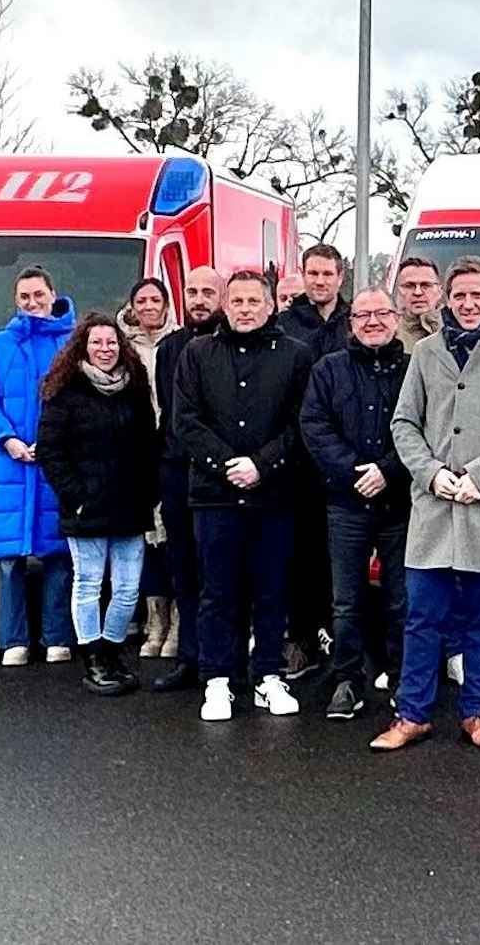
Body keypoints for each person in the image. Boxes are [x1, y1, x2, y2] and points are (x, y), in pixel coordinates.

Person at [370, 257, 480, 752]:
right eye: (460, 295)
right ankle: (412, 714)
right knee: (422, 617)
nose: (468, 305)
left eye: (477, 295)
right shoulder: (425, 353)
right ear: (448, 299)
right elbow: (404, 423)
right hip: (434, 509)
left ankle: (477, 712)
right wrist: (430, 474)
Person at [174, 270, 315, 721]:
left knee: (271, 591)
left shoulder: (296, 355)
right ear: (225, 306)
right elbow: (186, 421)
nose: (246, 309)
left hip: (273, 495)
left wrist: (262, 464)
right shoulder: (197, 353)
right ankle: (218, 680)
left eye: (255, 301)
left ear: (271, 306)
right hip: (214, 496)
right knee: (217, 592)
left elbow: (301, 423)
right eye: (237, 301)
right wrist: (226, 464)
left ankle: (267, 675)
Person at [299, 286, 412, 721]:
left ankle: (403, 680)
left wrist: (387, 470)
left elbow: (427, 427)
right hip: (345, 501)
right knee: (346, 601)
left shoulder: (413, 370)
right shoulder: (329, 370)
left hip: (399, 501)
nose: (372, 322)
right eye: (362, 315)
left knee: (402, 600)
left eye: (381, 313)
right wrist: (354, 472)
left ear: (395, 318)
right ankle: (348, 680)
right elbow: (314, 425)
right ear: (351, 323)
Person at [37, 314, 161, 695]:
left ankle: (111, 650)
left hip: (130, 504)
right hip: (85, 507)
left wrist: (150, 491)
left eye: (111, 343)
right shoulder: (64, 391)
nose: (105, 350)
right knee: (89, 582)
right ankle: (92, 657)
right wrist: (75, 495)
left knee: (127, 589)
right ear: (82, 347)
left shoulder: (135, 390)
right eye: (97, 343)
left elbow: (149, 447)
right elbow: (51, 451)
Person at [0, 266, 78, 666]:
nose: (32, 303)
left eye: (38, 295)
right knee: (9, 559)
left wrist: (54, 443)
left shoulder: (72, 343)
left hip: (56, 464)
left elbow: (80, 401)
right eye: (24, 297)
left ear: (53, 294)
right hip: (13, 464)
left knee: (58, 556)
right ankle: (13, 638)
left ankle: (57, 636)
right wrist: (8, 440)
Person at [275, 244, 351, 680]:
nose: (319, 281)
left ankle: (342, 641)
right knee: (298, 557)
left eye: (327, 274)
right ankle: (300, 639)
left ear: (341, 277)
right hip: (298, 461)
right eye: (313, 273)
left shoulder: (354, 323)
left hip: (344, 460)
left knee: (342, 559)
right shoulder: (286, 326)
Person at [149, 267, 225, 694]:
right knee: (183, 571)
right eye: (192, 291)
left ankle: (224, 658)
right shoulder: (171, 348)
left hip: (220, 476)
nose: (198, 299)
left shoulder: (232, 346)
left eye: (207, 292)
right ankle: (190, 657)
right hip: (178, 472)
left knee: (221, 572)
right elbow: (172, 415)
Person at [119, 276, 180, 659]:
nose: (148, 307)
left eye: (155, 300)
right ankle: (153, 620)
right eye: (141, 300)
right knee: (147, 539)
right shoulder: (122, 347)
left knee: (174, 536)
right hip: (137, 449)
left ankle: (176, 620)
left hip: (172, 447)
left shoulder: (182, 341)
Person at [394, 256, 443, 351]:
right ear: (399, 291)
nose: (418, 292)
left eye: (426, 285)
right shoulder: (389, 331)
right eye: (409, 286)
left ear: (439, 291)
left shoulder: (457, 327)